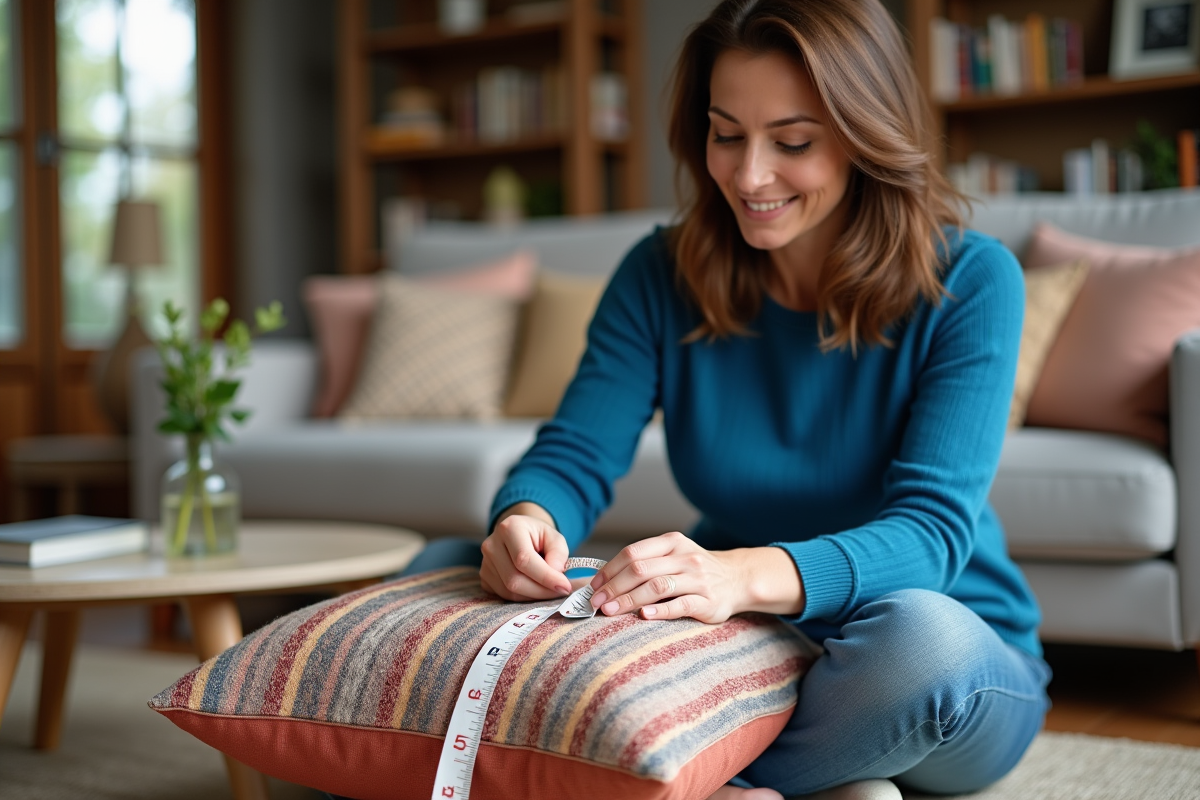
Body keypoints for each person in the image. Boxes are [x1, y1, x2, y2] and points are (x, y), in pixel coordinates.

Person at [416, 1, 1051, 798]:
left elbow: (929, 535)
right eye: (726, 135)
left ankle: (654, 779)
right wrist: (526, 523)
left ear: (864, 133)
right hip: (745, 650)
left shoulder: (972, 278)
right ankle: (786, 780)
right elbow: (574, 453)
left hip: (929, 654)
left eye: (793, 142)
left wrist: (736, 576)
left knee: (922, 647)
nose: (750, 177)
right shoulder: (659, 273)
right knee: (444, 568)